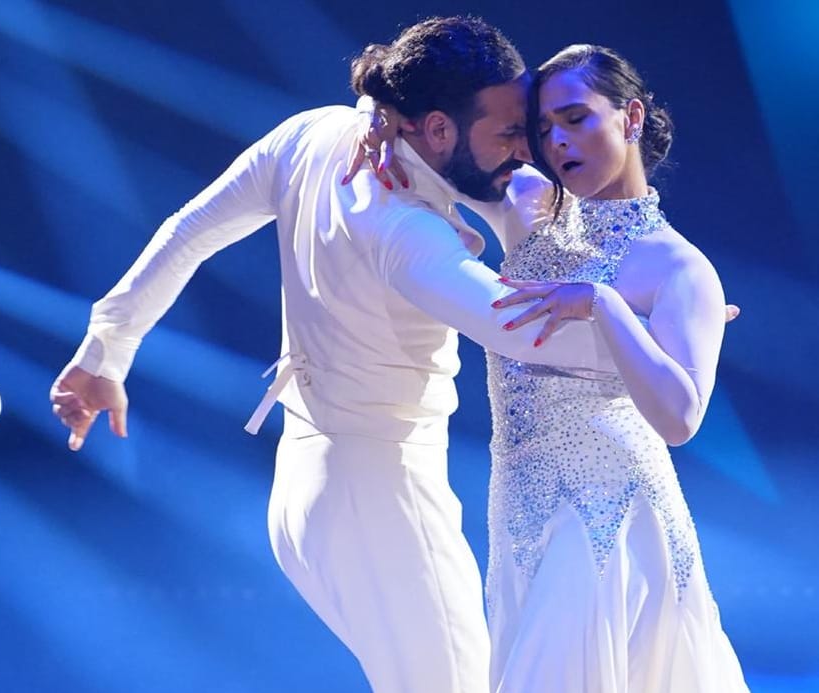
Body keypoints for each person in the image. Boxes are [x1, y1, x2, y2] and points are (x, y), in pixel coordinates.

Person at [51, 18, 623, 693]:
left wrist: (102, 353)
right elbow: (527, 330)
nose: (527, 148)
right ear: (436, 129)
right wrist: (671, 330)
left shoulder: (314, 135)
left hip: (309, 491)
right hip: (378, 500)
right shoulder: (405, 230)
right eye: (508, 133)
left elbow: (187, 233)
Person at [360, 44, 748, 692]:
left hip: (609, 511)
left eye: (575, 119)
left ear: (629, 116)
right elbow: (431, 151)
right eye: (545, 129)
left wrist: (602, 304)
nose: (558, 141)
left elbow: (680, 418)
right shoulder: (531, 203)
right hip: (518, 506)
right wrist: (376, 113)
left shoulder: (680, 268)